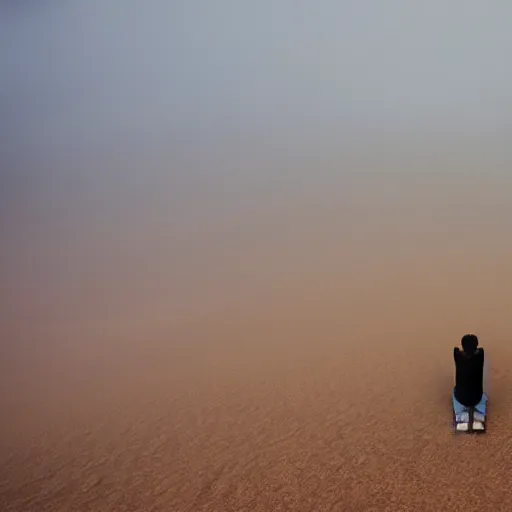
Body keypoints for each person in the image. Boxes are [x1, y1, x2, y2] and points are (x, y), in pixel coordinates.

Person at [453, 334, 484, 407]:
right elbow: (481, 349)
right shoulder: (480, 356)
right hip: (477, 398)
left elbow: (456, 349)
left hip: (461, 398)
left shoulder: (458, 357)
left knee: (455, 389)